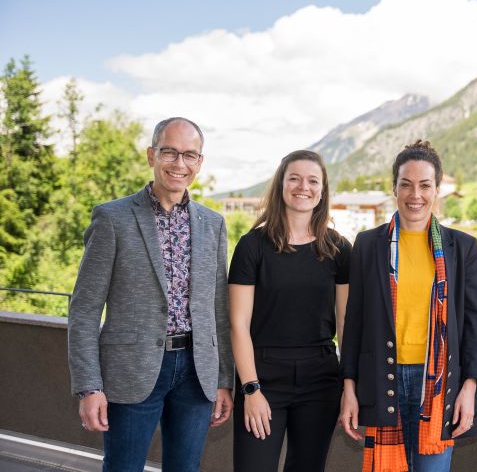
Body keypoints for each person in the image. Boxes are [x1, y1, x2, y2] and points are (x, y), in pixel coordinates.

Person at [68, 117, 234, 471]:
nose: (179, 163)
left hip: (196, 373)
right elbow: (83, 309)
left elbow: (218, 309)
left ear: (199, 162)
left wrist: (223, 380)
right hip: (131, 369)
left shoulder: (213, 224)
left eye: (190, 155)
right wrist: (89, 386)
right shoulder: (112, 218)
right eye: (169, 152)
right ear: (151, 155)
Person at [339, 140, 477, 472]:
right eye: (406, 184)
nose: (415, 194)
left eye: (424, 185)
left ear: (437, 190)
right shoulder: (368, 245)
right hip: (381, 379)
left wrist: (469, 387)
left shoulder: (461, 248)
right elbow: (355, 321)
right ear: (394, 188)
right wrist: (348, 387)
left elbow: (474, 324)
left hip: (437, 386)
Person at [228, 150, 350, 472]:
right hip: (262, 376)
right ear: (280, 184)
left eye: (313, 180)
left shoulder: (339, 249)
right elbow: (238, 324)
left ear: (322, 190)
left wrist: (348, 387)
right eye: (294, 178)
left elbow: (346, 327)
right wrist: (250, 389)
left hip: (320, 380)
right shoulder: (252, 246)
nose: (303, 187)